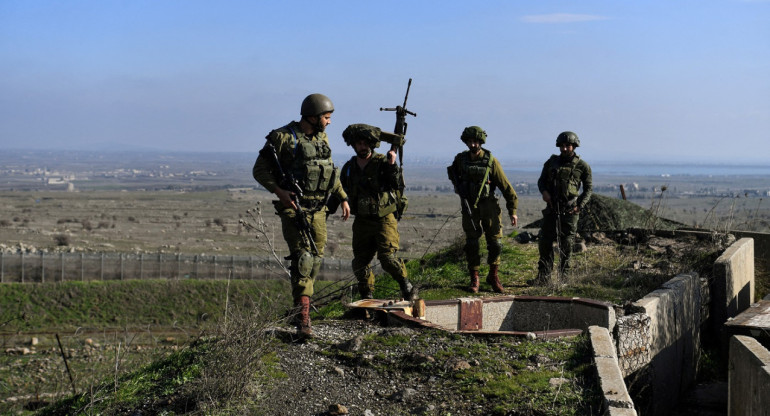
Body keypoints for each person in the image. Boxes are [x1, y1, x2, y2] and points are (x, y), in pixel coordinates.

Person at [252, 93, 350, 338]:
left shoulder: (321, 138)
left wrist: (343, 197)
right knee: (303, 258)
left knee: (316, 259)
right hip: (294, 206)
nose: (329, 122)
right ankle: (304, 320)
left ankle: (300, 306)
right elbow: (259, 170)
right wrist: (279, 191)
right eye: (326, 118)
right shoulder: (283, 138)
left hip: (319, 209)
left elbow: (329, 170)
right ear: (313, 116)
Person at [340, 124, 415, 301]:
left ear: (372, 144)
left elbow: (395, 184)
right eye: (358, 143)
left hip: (383, 218)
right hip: (362, 221)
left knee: (388, 258)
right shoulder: (349, 167)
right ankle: (367, 297)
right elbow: (341, 190)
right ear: (353, 145)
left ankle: (407, 288)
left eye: (365, 143)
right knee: (360, 263)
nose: (362, 146)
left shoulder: (382, 162)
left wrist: (391, 164)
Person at [447, 126, 518, 293]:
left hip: (489, 206)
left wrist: (512, 211)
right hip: (469, 206)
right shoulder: (460, 160)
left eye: (475, 141)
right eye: (470, 141)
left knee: (495, 243)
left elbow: (506, 186)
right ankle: (475, 277)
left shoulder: (490, 161)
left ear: (480, 142)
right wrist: (459, 188)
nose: (472, 144)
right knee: (472, 243)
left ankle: (493, 275)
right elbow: (452, 174)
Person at [532, 131, 592, 285]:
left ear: (574, 146)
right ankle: (543, 278)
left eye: (568, 146)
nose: (565, 149)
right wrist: (545, 193)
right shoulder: (551, 162)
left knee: (566, 245)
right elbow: (541, 181)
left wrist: (579, 206)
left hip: (570, 210)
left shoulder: (582, 166)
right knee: (545, 242)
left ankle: (563, 279)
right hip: (552, 208)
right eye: (562, 146)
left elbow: (588, 189)